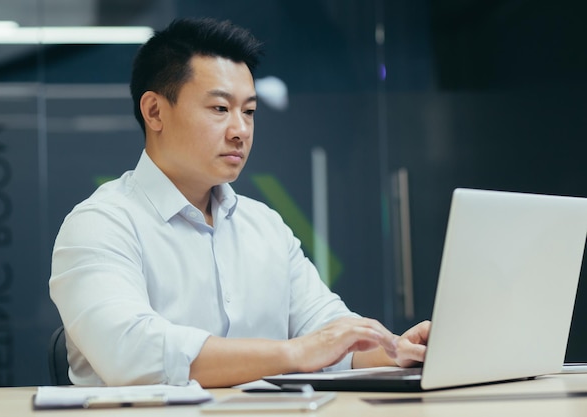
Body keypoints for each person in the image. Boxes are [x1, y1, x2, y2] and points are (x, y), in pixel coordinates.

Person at [49, 17, 430, 388]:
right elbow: (130, 352)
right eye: (220, 109)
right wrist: (294, 353)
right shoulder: (100, 223)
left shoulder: (264, 225)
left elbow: (329, 333)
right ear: (155, 112)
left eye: (248, 111)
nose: (240, 130)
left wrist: (395, 350)